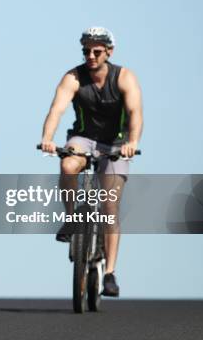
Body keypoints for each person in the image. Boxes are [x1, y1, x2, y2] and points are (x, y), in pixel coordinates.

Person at [39, 27, 143, 297]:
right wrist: (47, 139)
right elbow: (57, 109)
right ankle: (72, 217)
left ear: (109, 52)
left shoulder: (124, 77)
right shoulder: (73, 77)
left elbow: (135, 113)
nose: (91, 56)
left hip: (116, 144)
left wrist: (132, 142)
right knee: (67, 164)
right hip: (83, 138)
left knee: (110, 206)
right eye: (86, 50)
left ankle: (109, 273)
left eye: (97, 51)